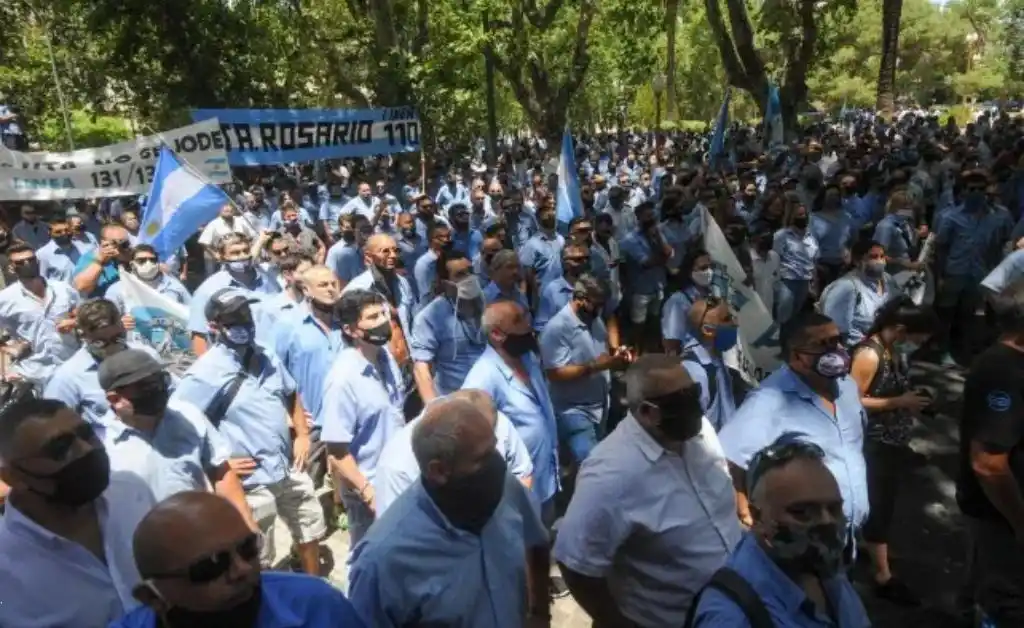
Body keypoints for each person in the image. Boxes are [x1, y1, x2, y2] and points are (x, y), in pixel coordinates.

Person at [555, 354, 741, 626]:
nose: (694, 406)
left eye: (694, 393)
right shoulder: (610, 476)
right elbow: (576, 563)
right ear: (646, 412)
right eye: (679, 401)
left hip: (732, 610)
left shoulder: (700, 432)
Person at [348, 397, 551, 627]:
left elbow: (537, 543)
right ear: (439, 471)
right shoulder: (382, 560)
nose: (497, 462)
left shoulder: (506, 488)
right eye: (482, 458)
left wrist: (540, 614)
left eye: (494, 447)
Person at [173, 288, 326, 575]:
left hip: (287, 465)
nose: (244, 325)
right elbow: (180, 424)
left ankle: (312, 584)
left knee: (309, 526)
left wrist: (303, 435)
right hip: (251, 480)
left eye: (245, 317)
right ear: (214, 327)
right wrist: (218, 465)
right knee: (258, 550)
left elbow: (291, 392)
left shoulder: (266, 355)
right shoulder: (205, 373)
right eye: (234, 321)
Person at [0, 398, 156, 628]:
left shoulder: (131, 491)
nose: (85, 449)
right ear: (13, 477)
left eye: (86, 434)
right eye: (59, 448)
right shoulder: (5, 567)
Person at [688, 435, 871, 627]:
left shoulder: (820, 563)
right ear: (757, 517)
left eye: (834, 509)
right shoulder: (731, 616)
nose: (826, 521)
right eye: (802, 512)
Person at [112, 491, 366, 628]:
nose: (242, 569)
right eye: (212, 565)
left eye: (247, 547)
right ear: (153, 597)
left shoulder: (315, 606)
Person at [719, 310, 869, 536]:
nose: (836, 350)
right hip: (805, 539)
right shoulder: (769, 401)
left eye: (837, 340)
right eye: (822, 344)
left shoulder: (847, 387)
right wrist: (745, 512)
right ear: (795, 357)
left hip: (848, 535)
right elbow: (730, 461)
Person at [849, 296, 937, 605]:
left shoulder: (893, 352)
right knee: (879, 507)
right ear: (900, 329)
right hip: (873, 445)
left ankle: (868, 551)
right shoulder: (869, 356)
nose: (919, 344)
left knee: (881, 503)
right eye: (917, 337)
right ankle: (882, 575)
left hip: (892, 442)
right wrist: (899, 403)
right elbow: (852, 401)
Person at [956, 278, 1024, 625]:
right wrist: (1020, 521)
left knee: (984, 584)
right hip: (1000, 515)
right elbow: (989, 465)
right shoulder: (1002, 371)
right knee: (1006, 602)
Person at [321, 289, 406, 549]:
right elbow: (336, 449)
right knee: (367, 555)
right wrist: (368, 492)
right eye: (372, 317)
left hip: (399, 478)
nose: (382, 321)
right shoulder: (343, 379)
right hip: (369, 488)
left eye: (382, 313)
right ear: (351, 330)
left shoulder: (386, 358)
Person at [463, 301, 559, 519]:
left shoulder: (528, 358)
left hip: (545, 478)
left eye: (526, 316)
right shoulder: (482, 377)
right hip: (516, 490)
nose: (528, 325)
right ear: (497, 334)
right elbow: (471, 434)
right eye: (518, 321)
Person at [373, 388, 533, 516]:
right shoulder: (397, 467)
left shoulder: (491, 421)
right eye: (480, 457)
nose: (492, 463)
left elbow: (522, 474)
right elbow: (401, 542)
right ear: (438, 470)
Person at [540, 275, 630, 464]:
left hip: (599, 405)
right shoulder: (557, 329)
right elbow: (554, 373)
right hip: (573, 411)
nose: (601, 310)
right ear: (579, 298)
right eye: (597, 304)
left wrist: (616, 353)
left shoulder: (594, 319)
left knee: (587, 467)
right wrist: (597, 366)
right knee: (593, 464)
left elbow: (602, 348)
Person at [43, 298, 155, 425]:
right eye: (100, 343)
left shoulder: (146, 356)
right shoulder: (67, 378)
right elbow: (55, 426)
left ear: (123, 327)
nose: (112, 348)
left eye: (117, 338)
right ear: (83, 336)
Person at [410, 251, 487, 403]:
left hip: (491, 397)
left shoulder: (487, 304)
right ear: (444, 282)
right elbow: (421, 367)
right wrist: (433, 408)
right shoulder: (430, 317)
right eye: (460, 275)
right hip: (455, 400)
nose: (469, 279)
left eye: (470, 272)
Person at [188, 232, 281, 356]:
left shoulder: (268, 278)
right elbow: (199, 337)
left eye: (246, 251)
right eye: (235, 253)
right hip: (239, 361)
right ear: (221, 256)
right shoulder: (208, 290)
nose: (242, 256)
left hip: (277, 354)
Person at [0, 242, 80, 385]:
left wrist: (74, 322)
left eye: (31, 260)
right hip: (36, 373)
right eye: (20, 262)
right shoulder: (5, 299)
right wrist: (6, 352)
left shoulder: (62, 289)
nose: (27, 264)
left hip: (72, 363)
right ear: (12, 268)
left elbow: (83, 314)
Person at [343, 233, 415, 366]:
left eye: (396, 250)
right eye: (385, 251)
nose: (393, 255)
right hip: (380, 365)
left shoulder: (403, 283)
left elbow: (411, 322)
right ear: (369, 256)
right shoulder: (356, 290)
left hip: (409, 360)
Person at [681, 298, 749, 431]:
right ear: (707, 330)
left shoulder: (716, 358)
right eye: (726, 319)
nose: (735, 323)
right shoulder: (695, 373)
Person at [820, 240, 902, 348]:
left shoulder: (887, 279)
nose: (880, 261)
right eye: (873, 257)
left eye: (882, 256)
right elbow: (838, 331)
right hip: (857, 350)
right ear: (858, 261)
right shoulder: (846, 287)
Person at [773, 201, 819, 324]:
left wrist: (814, 283)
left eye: (804, 214)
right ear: (791, 217)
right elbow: (775, 258)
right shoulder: (781, 235)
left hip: (804, 280)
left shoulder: (811, 237)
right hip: (787, 280)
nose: (802, 217)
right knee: (784, 314)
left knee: (796, 314)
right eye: (799, 215)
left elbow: (814, 260)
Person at [662, 248, 714, 355]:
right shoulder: (678, 302)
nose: (709, 271)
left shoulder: (712, 296)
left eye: (710, 267)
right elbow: (672, 344)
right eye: (703, 268)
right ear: (690, 272)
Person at [73, 224, 136, 298]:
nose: (124, 246)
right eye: (118, 242)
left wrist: (126, 257)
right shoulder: (89, 258)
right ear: (104, 242)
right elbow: (80, 288)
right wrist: (99, 261)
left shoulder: (130, 253)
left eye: (126, 242)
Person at [413, 221, 453, 310]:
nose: (446, 240)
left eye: (448, 236)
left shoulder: (451, 257)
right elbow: (426, 296)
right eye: (441, 237)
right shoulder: (423, 264)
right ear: (431, 239)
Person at [36, 218, 89, 283]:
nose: (64, 233)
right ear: (50, 233)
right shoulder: (42, 254)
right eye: (58, 232)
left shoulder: (82, 247)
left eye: (67, 230)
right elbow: (42, 279)